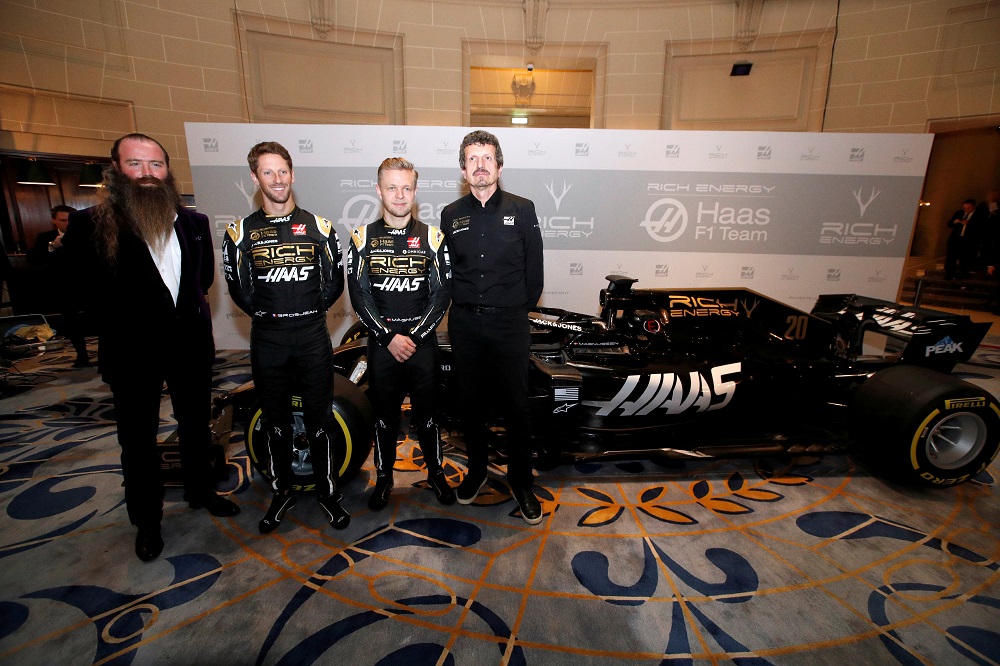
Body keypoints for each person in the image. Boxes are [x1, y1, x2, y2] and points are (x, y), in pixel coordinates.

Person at [61, 133, 240, 563]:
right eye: (136, 164)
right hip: (131, 353)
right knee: (137, 440)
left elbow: (203, 283)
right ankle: (148, 521)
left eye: (156, 165)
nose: (147, 174)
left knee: (195, 425)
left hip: (190, 347)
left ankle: (201, 491)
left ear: (167, 171)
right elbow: (78, 291)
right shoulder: (90, 225)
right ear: (116, 170)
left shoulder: (193, 224)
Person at [222, 141, 349, 533]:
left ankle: (328, 491)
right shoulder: (240, 232)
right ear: (254, 178)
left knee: (320, 418)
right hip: (268, 340)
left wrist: (307, 312)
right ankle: (281, 490)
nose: (276, 180)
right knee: (275, 420)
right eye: (267, 172)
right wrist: (271, 315)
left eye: (282, 171)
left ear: (293, 175)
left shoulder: (321, 227)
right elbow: (238, 290)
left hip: (312, 337)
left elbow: (334, 284)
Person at [439, 130, 545, 525]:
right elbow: (447, 273)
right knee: (471, 406)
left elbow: (534, 276)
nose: (479, 166)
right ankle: (478, 471)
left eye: (487, 158)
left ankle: (521, 483)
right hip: (465, 324)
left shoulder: (523, 208)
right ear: (463, 169)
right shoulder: (451, 215)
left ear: (499, 165)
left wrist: (513, 312)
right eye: (472, 159)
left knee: (518, 407)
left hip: (509, 326)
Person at [346, 158, 454, 510]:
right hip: (382, 346)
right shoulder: (362, 238)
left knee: (430, 416)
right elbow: (359, 295)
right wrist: (389, 337)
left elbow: (441, 294)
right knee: (384, 417)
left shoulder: (433, 237)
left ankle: (436, 473)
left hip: (422, 345)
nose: (399, 194)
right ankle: (384, 478)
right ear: (379, 190)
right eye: (392, 187)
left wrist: (416, 337)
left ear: (415, 191)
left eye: (406, 187)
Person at [28, 204, 90, 366]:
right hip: (63, 288)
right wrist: (53, 247)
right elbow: (34, 260)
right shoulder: (45, 238)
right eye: (63, 220)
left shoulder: (87, 234)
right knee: (71, 321)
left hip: (88, 285)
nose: (67, 224)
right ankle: (81, 355)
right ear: (54, 221)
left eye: (70, 220)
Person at [945, 199, 986, 279]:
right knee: (951, 257)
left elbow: (981, 228)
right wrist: (955, 222)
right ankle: (949, 274)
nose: (966, 210)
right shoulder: (959, 213)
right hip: (956, 239)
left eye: (969, 208)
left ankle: (964, 274)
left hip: (968, 241)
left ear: (973, 207)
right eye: (965, 208)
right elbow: (949, 224)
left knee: (964, 258)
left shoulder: (979, 215)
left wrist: (968, 224)